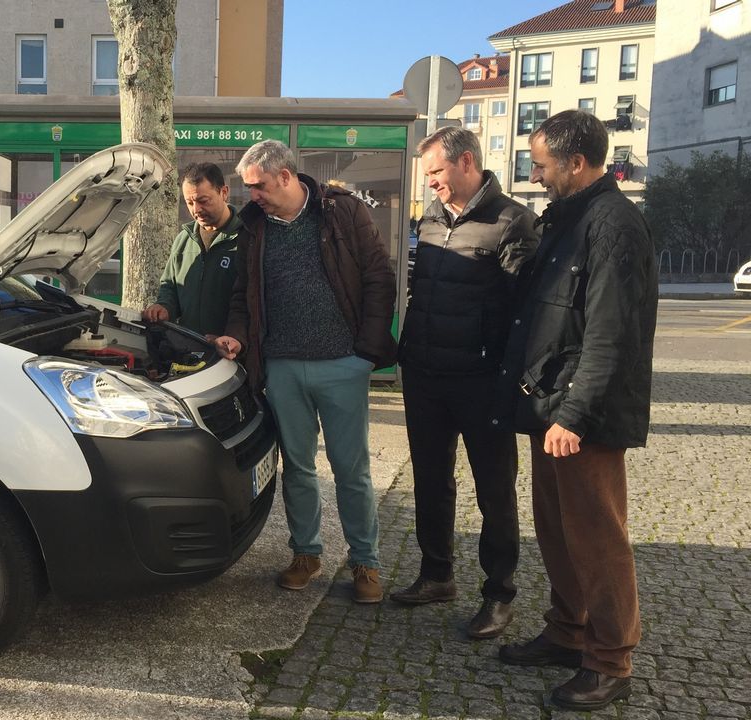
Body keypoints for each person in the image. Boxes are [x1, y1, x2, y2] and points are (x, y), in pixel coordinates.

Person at [496, 110, 657, 712]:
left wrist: (574, 416)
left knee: (597, 537)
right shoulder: (569, 219)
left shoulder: (613, 225)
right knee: (558, 530)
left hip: (579, 418)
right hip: (549, 408)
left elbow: (612, 335)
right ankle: (569, 633)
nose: (534, 176)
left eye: (541, 165)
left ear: (576, 163)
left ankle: (611, 661)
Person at [213, 140, 396, 602]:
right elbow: (243, 295)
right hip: (282, 367)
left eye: (258, 186)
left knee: (351, 469)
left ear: (287, 176)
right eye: (248, 187)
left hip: (343, 365)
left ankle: (365, 563)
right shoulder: (254, 227)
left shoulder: (343, 213)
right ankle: (305, 554)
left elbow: (379, 277)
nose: (251, 195)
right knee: (297, 467)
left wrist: (366, 354)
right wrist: (237, 333)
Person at [390, 127, 538, 640]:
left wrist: (510, 379)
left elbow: (527, 312)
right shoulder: (431, 219)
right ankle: (436, 576)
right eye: (425, 173)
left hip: (482, 382)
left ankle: (499, 596)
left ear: (466, 163)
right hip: (426, 375)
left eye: (435, 172)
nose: (429, 182)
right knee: (431, 481)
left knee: (494, 490)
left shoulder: (513, 221)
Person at [143, 163, 243, 336]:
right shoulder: (183, 239)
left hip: (231, 352)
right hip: (188, 348)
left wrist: (233, 337)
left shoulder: (246, 239)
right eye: (189, 202)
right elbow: (169, 286)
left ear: (224, 192)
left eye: (203, 201)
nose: (196, 210)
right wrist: (164, 307)